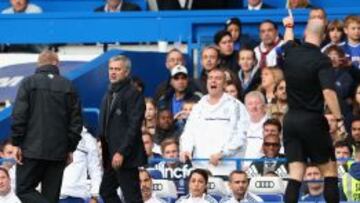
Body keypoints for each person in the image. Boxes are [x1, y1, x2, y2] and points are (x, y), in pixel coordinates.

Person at [281, 16, 343, 203]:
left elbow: (288, 41)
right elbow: (329, 93)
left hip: (290, 120)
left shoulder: (291, 52)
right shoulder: (322, 60)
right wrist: (339, 119)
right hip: (313, 121)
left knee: (295, 174)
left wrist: (289, 26)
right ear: (324, 36)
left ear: (305, 33)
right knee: (330, 171)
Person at [11, 50, 83, 203]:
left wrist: (17, 143)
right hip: (58, 152)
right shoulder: (68, 86)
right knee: (51, 197)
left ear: (39, 63)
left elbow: (19, 116)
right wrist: (70, 147)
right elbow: (76, 122)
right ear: (56, 63)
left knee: (24, 190)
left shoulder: (28, 83)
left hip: (31, 150)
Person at [180, 69, 249, 176]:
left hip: (227, 169)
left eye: (218, 78)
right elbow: (188, 132)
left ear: (225, 84)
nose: (213, 81)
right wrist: (186, 149)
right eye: (210, 78)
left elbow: (240, 136)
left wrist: (223, 154)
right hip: (201, 169)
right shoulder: (198, 107)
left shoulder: (236, 106)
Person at [99, 55, 147, 203]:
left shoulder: (133, 94)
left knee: (132, 197)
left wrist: (121, 152)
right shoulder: (109, 93)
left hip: (125, 156)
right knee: (106, 191)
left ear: (126, 72)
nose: (113, 72)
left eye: (117, 69)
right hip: (110, 154)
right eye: (111, 69)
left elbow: (133, 127)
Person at [60, 127, 103, 203]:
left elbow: (95, 169)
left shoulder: (87, 138)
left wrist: (95, 196)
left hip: (75, 195)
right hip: (50, 194)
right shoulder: (52, 133)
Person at [243, 91, 268, 167]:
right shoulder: (241, 124)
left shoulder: (270, 124)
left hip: (262, 166)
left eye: (257, 103)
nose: (254, 107)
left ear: (264, 106)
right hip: (240, 167)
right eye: (250, 104)